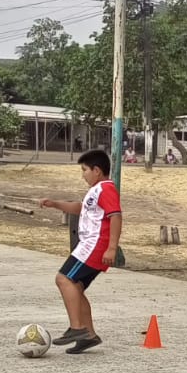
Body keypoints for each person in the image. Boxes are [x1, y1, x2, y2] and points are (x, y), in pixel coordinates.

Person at [39, 149, 121, 354]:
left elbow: (116, 216)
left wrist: (112, 248)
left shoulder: (106, 188)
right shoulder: (96, 190)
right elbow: (80, 208)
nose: (83, 175)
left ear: (97, 170)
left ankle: (77, 328)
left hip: (95, 245)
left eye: (84, 170)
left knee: (63, 279)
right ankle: (89, 336)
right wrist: (55, 204)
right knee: (75, 287)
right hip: (89, 245)